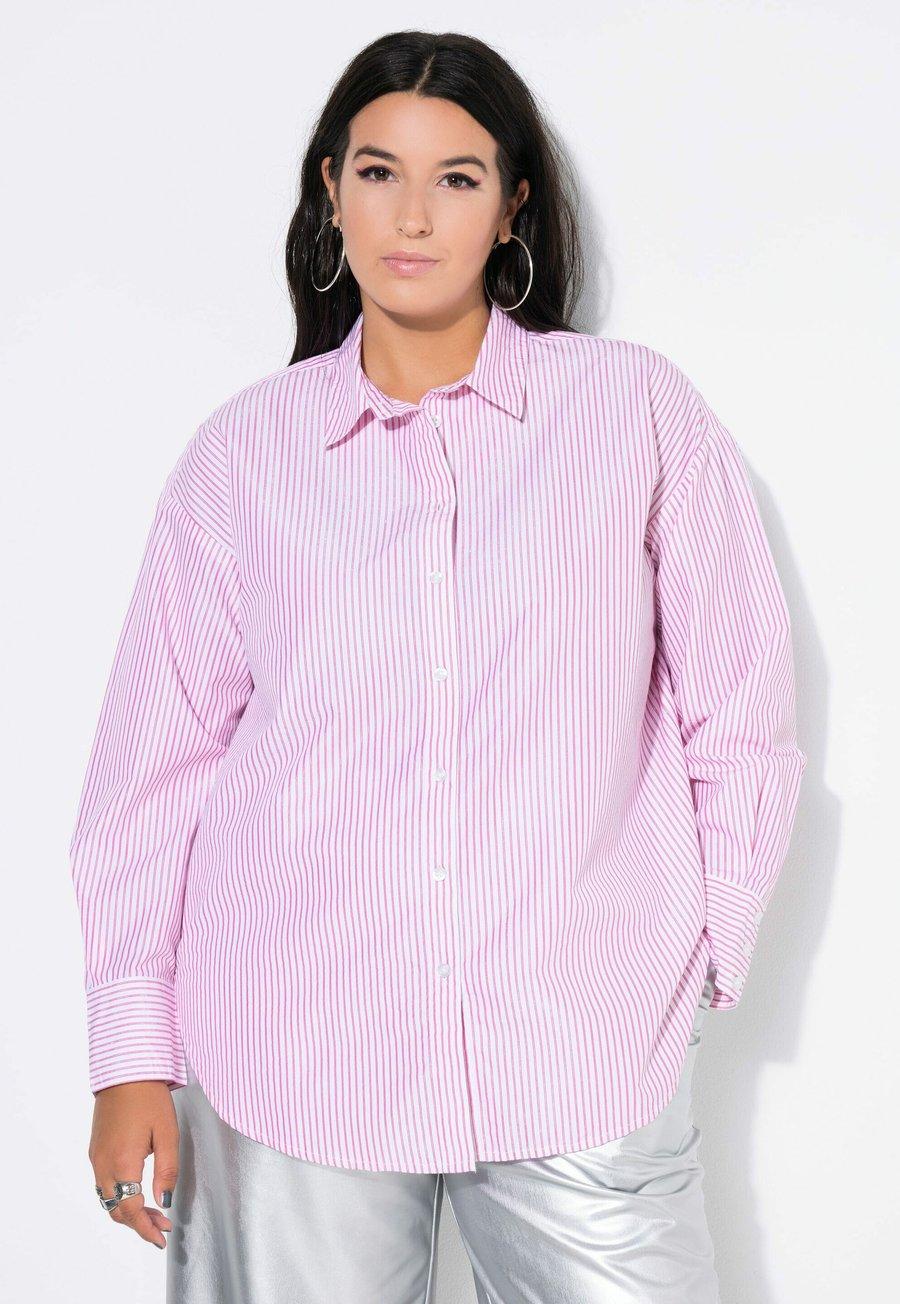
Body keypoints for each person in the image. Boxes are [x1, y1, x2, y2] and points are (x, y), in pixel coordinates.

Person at [70, 29, 807, 1304]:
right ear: (330, 191)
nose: (412, 216)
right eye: (378, 172)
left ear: (512, 204)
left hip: (580, 1041)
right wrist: (130, 1051)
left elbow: (740, 709)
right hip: (290, 1045)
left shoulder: (633, 413)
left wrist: (698, 954)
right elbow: (156, 764)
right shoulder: (243, 457)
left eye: (457, 178)